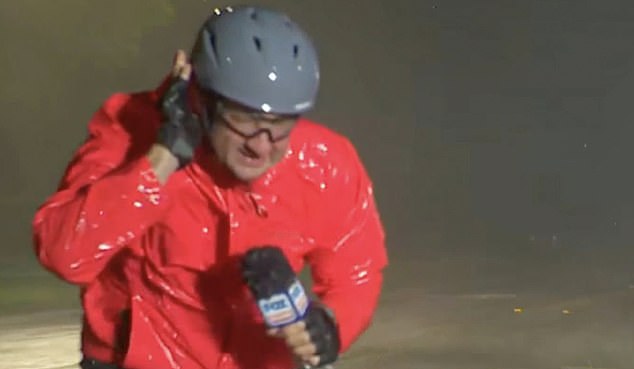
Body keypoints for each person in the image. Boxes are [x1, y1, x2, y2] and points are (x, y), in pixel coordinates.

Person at [32, 5, 388, 369]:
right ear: (200, 97)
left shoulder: (327, 162)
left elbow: (355, 275)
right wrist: (161, 159)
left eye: (280, 125)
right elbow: (65, 255)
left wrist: (331, 325)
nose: (261, 146)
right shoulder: (130, 132)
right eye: (243, 120)